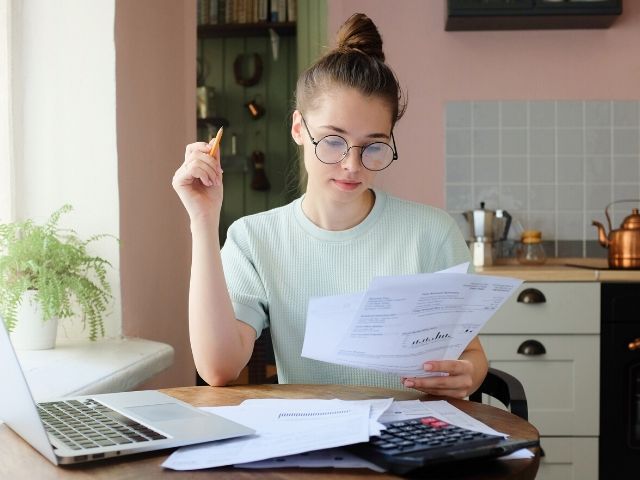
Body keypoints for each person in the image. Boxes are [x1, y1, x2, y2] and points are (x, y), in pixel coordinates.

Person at [172, 13, 488, 399]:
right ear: (299, 129)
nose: (352, 165)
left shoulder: (432, 233)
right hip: (313, 441)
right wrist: (203, 220)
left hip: (410, 440)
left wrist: (468, 373)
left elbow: (471, 354)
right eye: (334, 141)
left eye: (374, 146)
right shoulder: (255, 238)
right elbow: (218, 368)